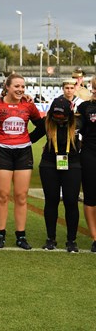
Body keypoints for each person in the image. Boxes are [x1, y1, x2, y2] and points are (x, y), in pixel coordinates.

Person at [0, 73, 43, 249]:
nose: (20, 89)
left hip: (23, 153)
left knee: (21, 196)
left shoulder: (28, 105)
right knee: (2, 195)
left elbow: (41, 126)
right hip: (1, 151)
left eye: (22, 87)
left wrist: (28, 139)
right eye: (16, 86)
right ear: (8, 87)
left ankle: (21, 236)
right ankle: (0, 234)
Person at [32, 98, 81, 252]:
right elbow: (30, 138)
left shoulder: (79, 123)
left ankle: (71, 240)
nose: (59, 120)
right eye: (56, 117)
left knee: (71, 201)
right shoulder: (46, 123)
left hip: (72, 164)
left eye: (63, 117)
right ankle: (50, 239)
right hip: (49, 164)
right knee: (51, 201)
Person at [77, 76, 96, 252]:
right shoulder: (84, 107)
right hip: (90, 155)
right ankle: (95, 237)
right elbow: (77, 129)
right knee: (90, 196)